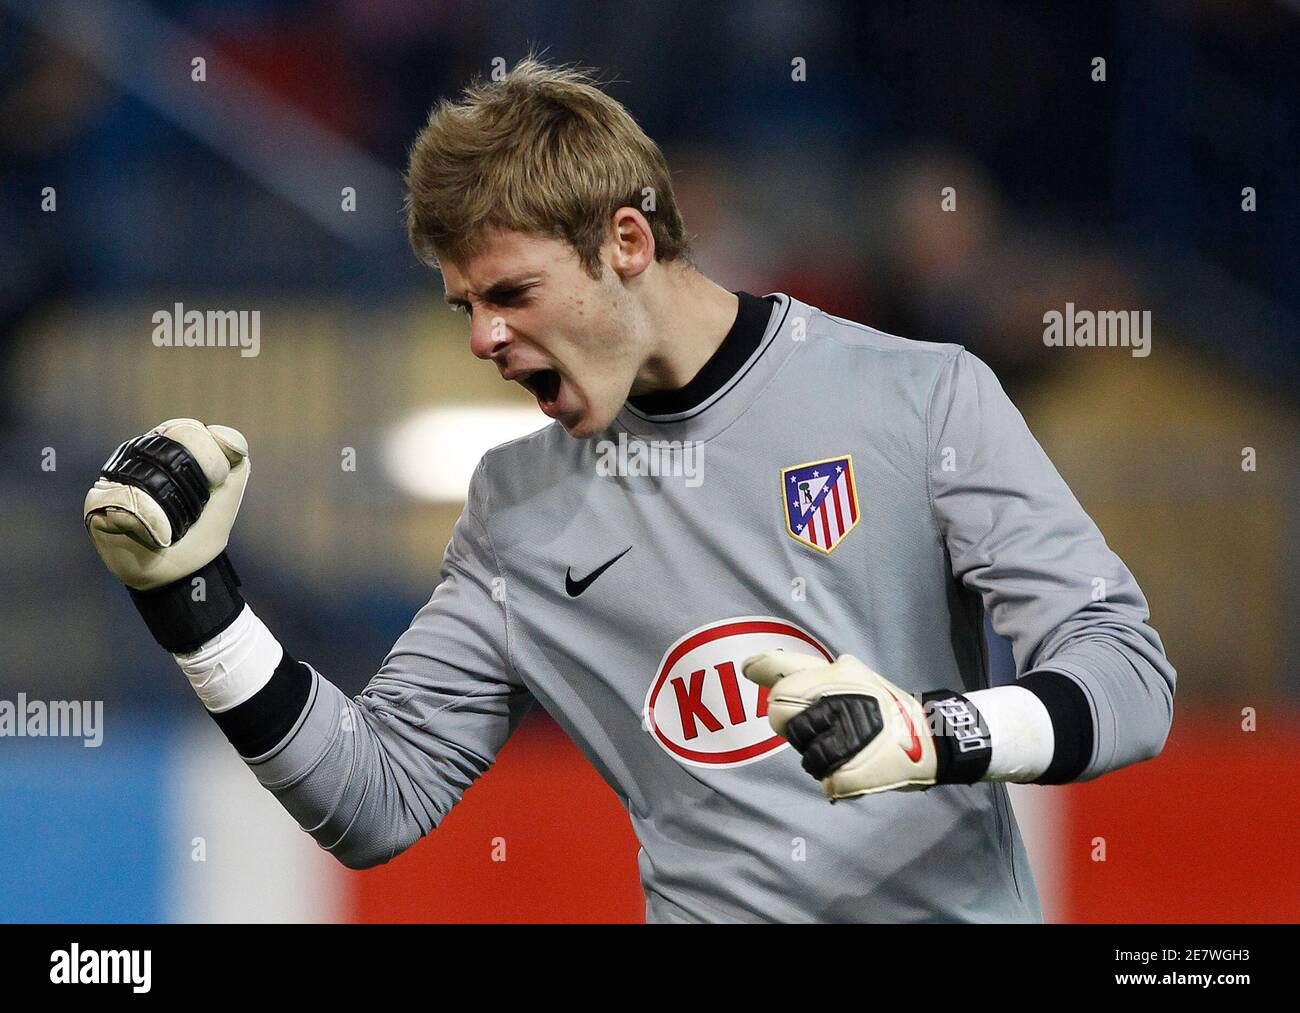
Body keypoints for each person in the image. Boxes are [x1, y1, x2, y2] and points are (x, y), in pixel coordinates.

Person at [84, 56, 1175, 923]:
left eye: (511, 293)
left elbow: (1127, 674)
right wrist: (196, 606)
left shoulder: (920, 396)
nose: (482, 339)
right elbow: (376, 797)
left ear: (627, 240)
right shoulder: (515, 509)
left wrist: (936, 733)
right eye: (464, 305)